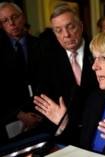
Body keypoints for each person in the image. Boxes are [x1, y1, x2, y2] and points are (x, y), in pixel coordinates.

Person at [35, 3, 98, 146]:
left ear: (81, 26)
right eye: (59, 30)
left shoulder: (99, 52)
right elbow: (47, 104)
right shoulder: (48, 61)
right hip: (64, 137)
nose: (66, 35)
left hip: (99, 133)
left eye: (70, 27)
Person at [0, 2, 50, 145]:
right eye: (5, 21)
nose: (11, 23)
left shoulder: (45, 46)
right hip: (11, 120)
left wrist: (42, 113)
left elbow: (50, 82)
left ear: (22, 18)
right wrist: (21, 115)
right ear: (1, 26)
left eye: (14, 17)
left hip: (43, 116)